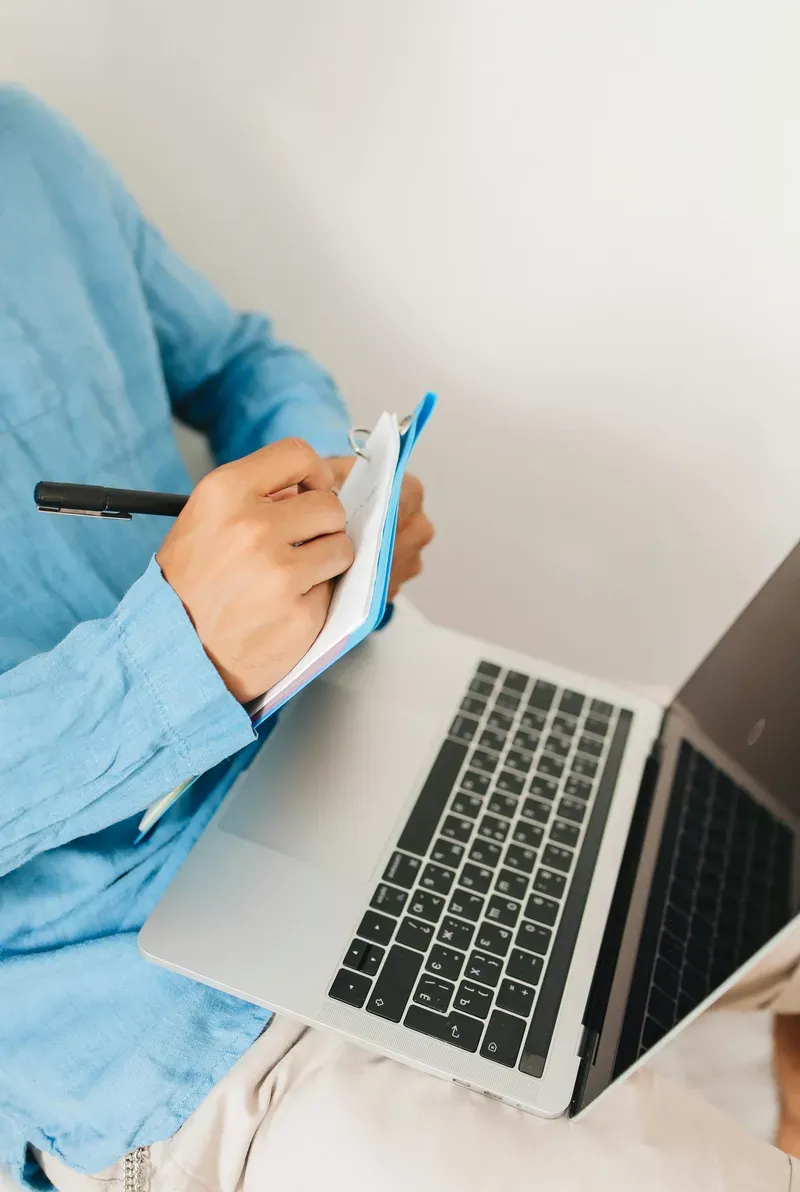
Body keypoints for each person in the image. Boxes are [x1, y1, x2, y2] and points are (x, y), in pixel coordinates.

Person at [0, 86, 797, 1192]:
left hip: (379, 763)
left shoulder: (25, 141)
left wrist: (327, 509)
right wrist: (173, 663)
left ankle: (738, 1074)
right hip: (182, 1036)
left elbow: (235, 361)